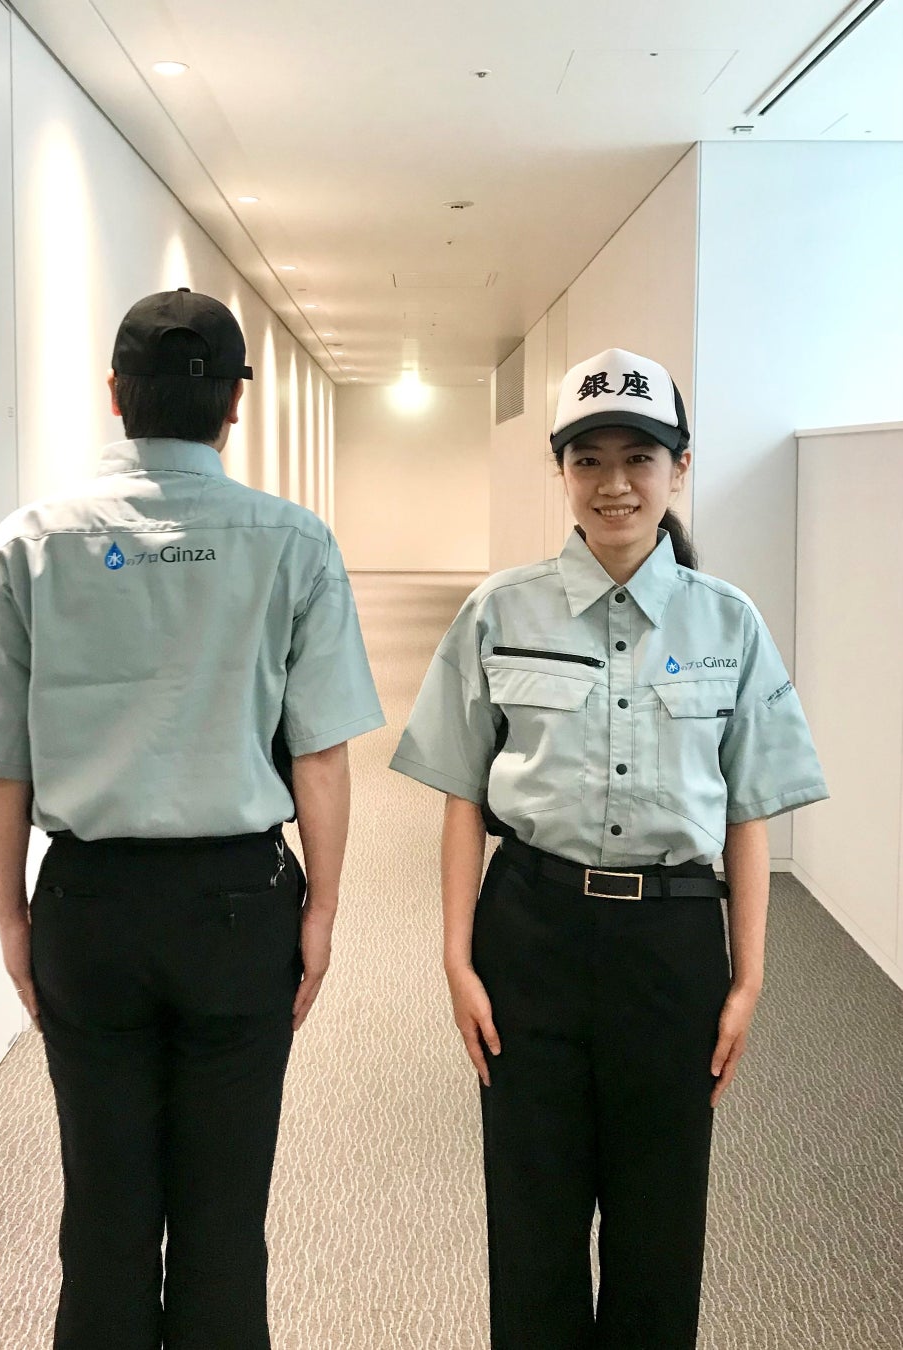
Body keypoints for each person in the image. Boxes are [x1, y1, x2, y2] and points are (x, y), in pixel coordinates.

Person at [0, 288, 384, 1350]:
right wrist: (321, 910)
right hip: (239, 904)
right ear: (234, 403)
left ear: (114, 394)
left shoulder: (30, 543)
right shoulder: (294, 542)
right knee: (225, 1215)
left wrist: (12, 917)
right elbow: (320, 754)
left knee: (103, 1208)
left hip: (88, 904)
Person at [390, 347, 829, 1349]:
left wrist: (748, 979)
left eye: (639, 457)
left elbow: (748, 812)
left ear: (679, 467)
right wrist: (455, 959)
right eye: (587, 459)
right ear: (560, 470)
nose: (614, 483)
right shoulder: (499, 611)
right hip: (529, 934)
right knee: (531, 1222)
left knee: (658, 1231)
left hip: (670, 948)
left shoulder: (728, 623)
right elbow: (461, 795)